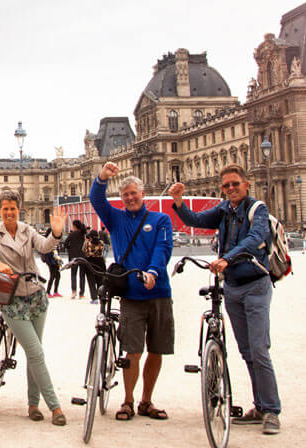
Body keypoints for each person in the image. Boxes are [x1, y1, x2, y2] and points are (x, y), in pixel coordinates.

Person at [169, 164, 281, 435]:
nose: (230, 188)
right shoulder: (223, 210)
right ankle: (261, 406)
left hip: (255, 284)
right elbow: (195, 220)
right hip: (231, 286)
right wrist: (179, 202)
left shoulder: (258, 209)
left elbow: (255, 239)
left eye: (235, 184)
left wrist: (227, 258)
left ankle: (272, 411)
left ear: (246, 185)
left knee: (259, 348)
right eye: (226, 185)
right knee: (246, 351)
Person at [0, 192, 68, 426]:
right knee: (36, 352)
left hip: (36, 296)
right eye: (5, 209)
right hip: (12, 300)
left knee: (34, 353)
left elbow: (45, 247)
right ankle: (55, 407)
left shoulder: (27, 230)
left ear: (19, 208)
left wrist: (55, 233)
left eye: (13, 208)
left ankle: (33, 405)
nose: (9, 213)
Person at [90, 162, 173, 422]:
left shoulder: (161, 219)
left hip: (158, 292)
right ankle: (127, 400)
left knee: (156, 350)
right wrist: (102, 177)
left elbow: (163, 249)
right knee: (132, 352)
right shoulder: (115, 218)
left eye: (133, 193)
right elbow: (96, 199)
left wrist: (153, 272)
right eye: (125, 195)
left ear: (143, 194)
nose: (129, 198)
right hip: (131, 295)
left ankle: (146, 401)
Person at [64, 220, 87, 299]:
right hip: (83, 257)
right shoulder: (83, 234)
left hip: (73, 257)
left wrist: (70, 249)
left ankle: (74, 291)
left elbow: (65, 244)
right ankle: (81, 293)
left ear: (74, 226)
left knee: (73, 274)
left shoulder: (72, 234)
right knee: (82, 275)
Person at [82, 229, 106, 304]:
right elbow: (103, 250)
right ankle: (102, 296)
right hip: (100, 262)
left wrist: (86, 240)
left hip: (90, 262)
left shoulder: (88, 243)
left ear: (90, 237)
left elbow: (83, 250)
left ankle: (94, 298)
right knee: (100, 280)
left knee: (91, 281)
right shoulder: (101, 242)